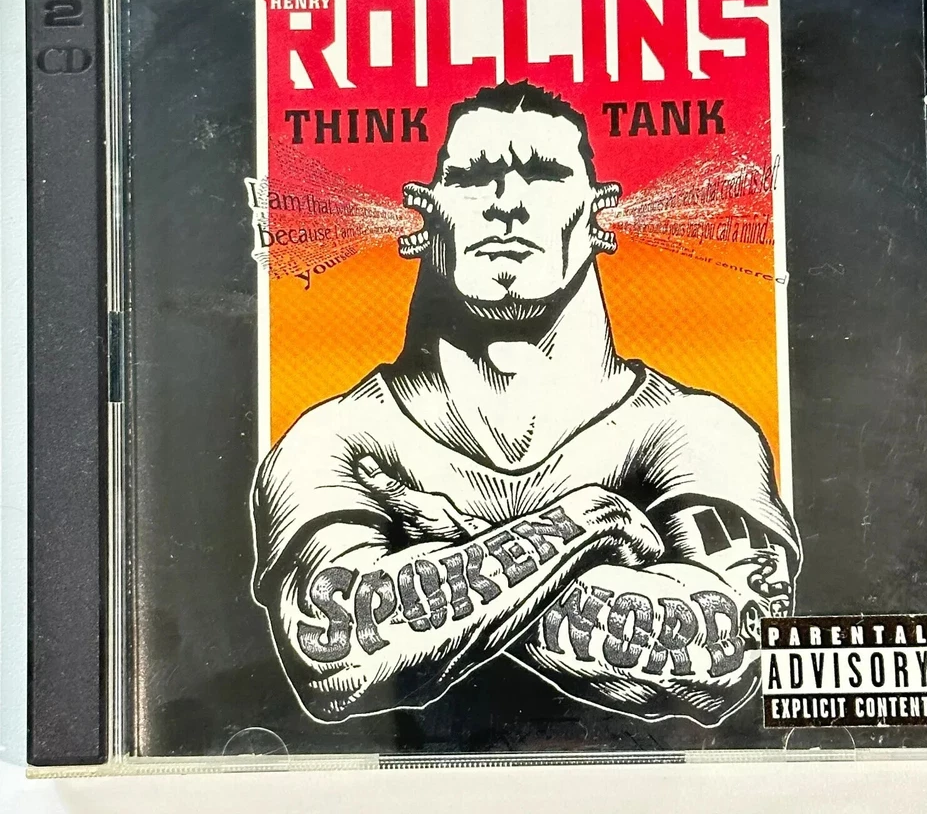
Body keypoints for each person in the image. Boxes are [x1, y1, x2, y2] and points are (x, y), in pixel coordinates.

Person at [251, 80, 799, 727]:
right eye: (471, 179)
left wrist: (457, 547)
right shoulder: (333, 439)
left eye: (543, 177)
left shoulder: (696, 432)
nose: (506, 204)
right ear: (423, 217)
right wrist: (588, 522)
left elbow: (724, 653)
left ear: (601, 218)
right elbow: (336, 652)